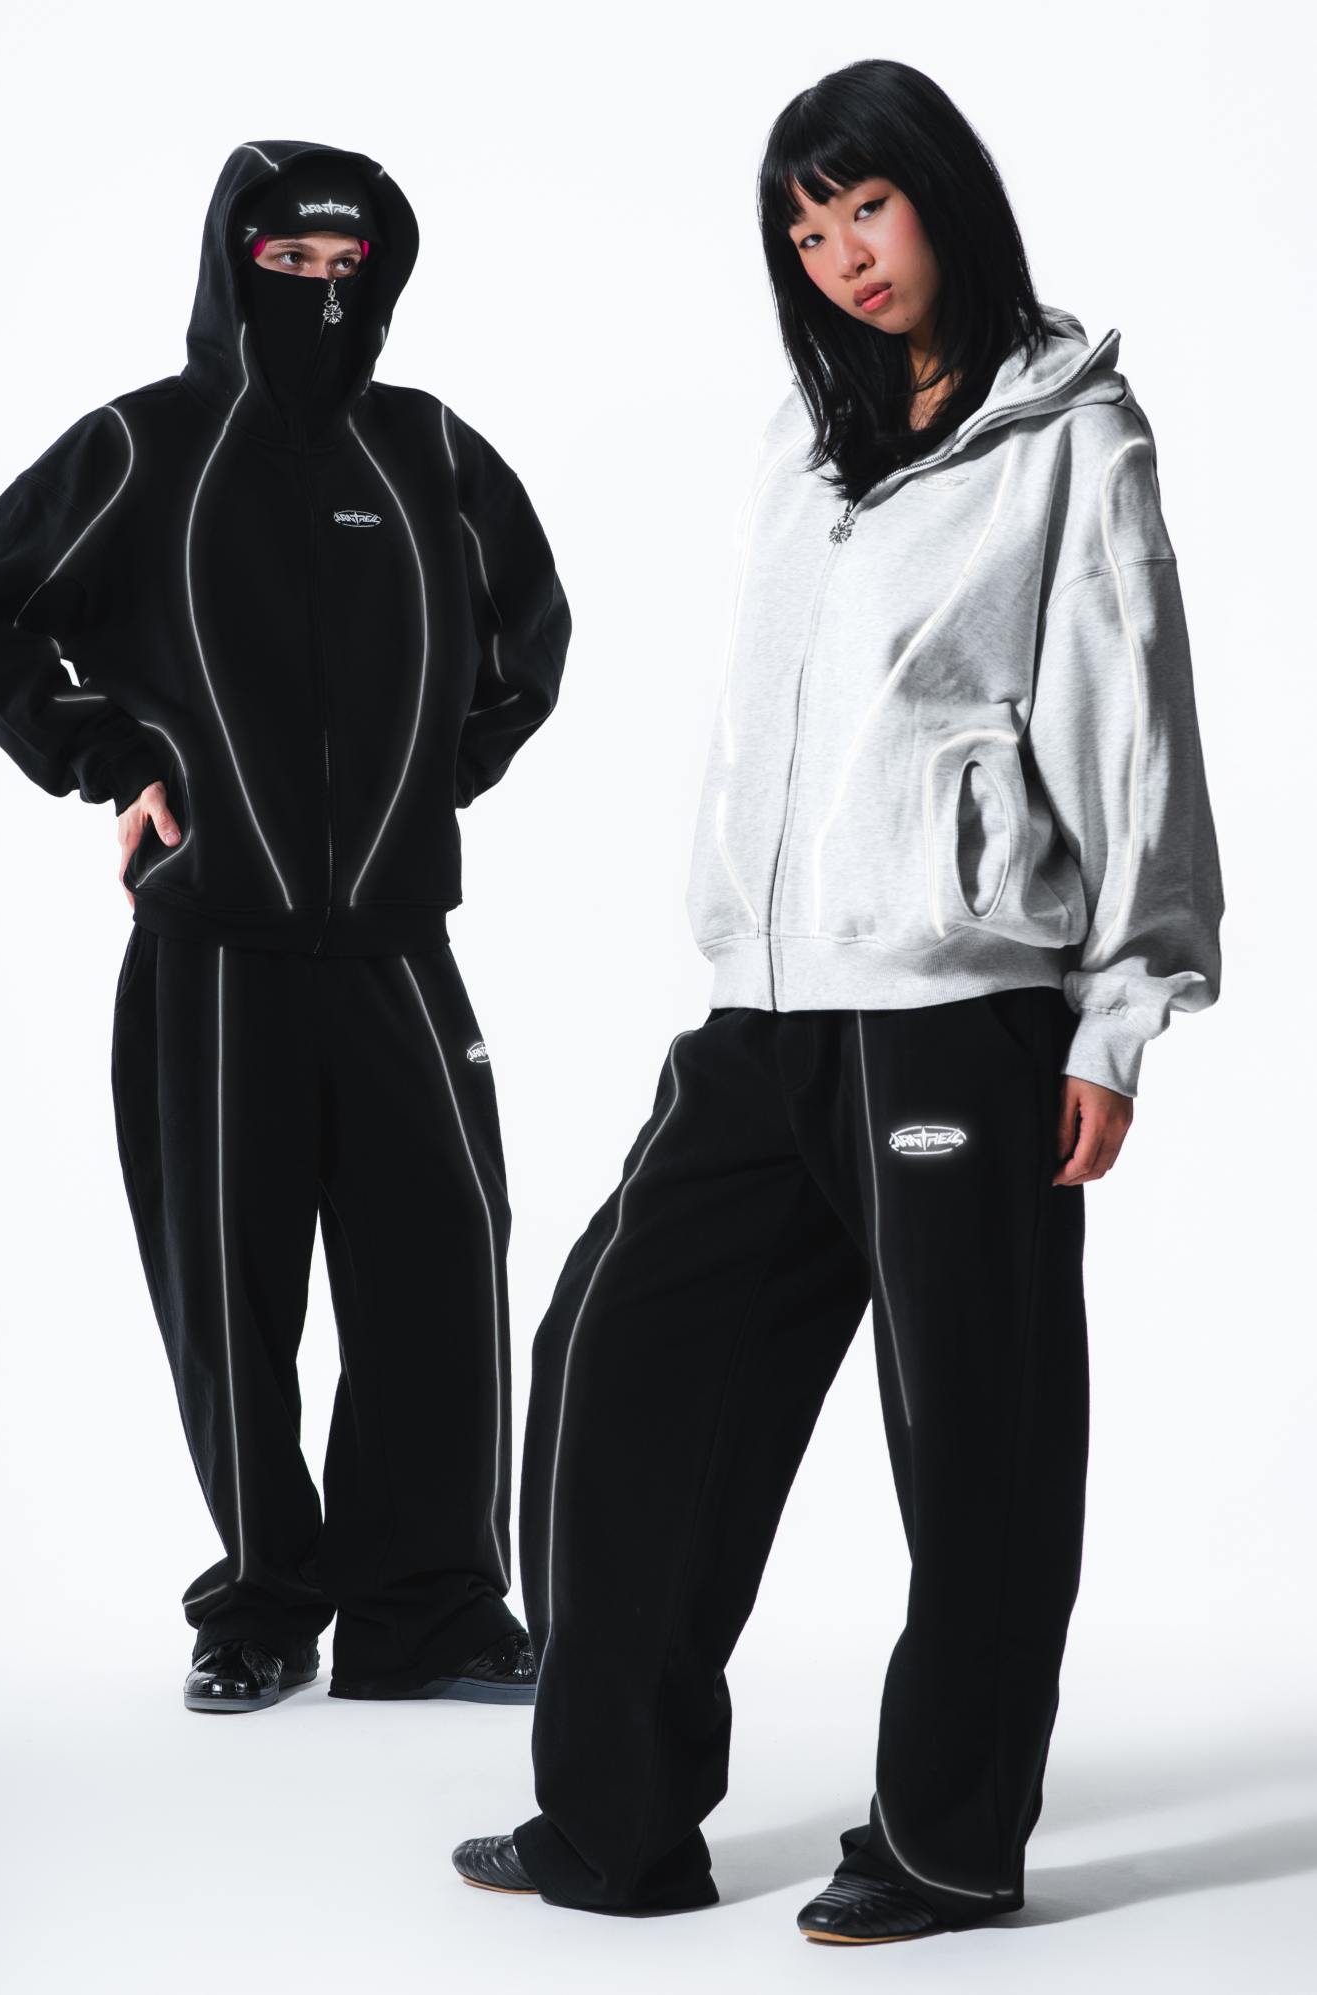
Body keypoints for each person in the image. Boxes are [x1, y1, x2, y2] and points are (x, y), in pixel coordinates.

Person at [450, 60, 1221, 1940]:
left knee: (974, 1439)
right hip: (767, 1008)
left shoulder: (1071, 433)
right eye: (805, 231)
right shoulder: (810, 444)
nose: (843, 255)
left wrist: (1119, 1018)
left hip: (964, 1009)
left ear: (942, 195)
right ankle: (614, 1824)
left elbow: (1131, 722)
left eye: (865, 205)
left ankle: (947, 1840)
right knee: (617, 1364)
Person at [0, 141, 569, 1715]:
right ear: (233, 264)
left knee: (440, 1263)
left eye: (349, 267)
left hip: (399, 946)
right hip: (211, 952)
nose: (321, 292)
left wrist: (424, 781)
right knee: (231, 1289)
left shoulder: (430, 449)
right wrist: (113, 756)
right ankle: (266, 1605)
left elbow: (530, 641)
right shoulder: (147, 445)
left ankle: (429, 1609)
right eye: (289, 264)